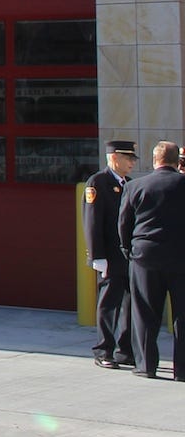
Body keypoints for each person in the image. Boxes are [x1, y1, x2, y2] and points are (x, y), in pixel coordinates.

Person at [118, 140, 185, 379]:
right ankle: (182, 370)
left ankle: (146, 366)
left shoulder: (135, 186)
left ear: (154, 161)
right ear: (177, 161)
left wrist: (129, 252)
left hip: (145, 256)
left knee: (145, 313)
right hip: (181, 258)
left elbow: (124, 224)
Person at [85, 139, 138, 367]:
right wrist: (97, 256)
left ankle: (125, 350)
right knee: (109, 304)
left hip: (129, 256)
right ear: (114, 158)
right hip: (109, 256)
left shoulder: (130, 184)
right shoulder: (98, 182)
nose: (132, 164)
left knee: (130, 304)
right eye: (128, 159)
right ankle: (103, 350)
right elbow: (92, 223)